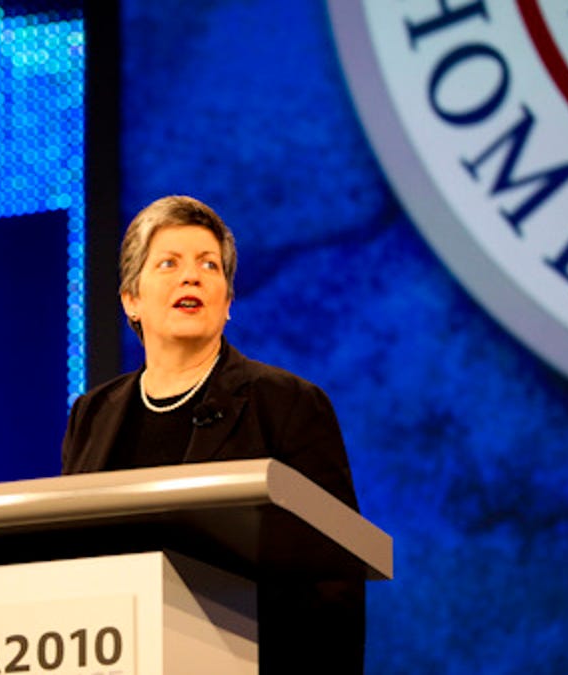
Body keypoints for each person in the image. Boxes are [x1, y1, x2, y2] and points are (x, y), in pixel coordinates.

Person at [62, 195, 365, 672]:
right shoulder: (92, 415)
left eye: (209, 266)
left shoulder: (285, 403)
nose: (192, 276)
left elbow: (334, 580)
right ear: (131, 300)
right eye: (169, 263)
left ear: (227, 303)